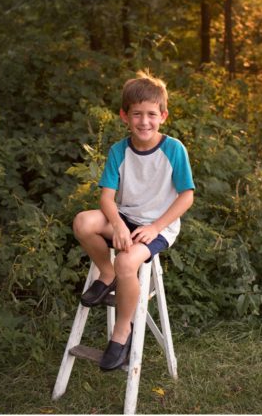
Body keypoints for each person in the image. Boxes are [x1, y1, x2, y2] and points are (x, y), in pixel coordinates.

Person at [71, 70, 195, 371]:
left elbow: (186, 196)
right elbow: (106, 199)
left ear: (163, 115)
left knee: (129, 263)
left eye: (151, 114)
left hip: (159, 225)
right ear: (124, 116)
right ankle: (106, 273)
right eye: (137, 114)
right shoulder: (118, 150)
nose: (144, 121)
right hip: (125, 216)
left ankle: (121, 333)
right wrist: (116, 225)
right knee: (83, 222)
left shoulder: (174, 149)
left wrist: (154, 227)